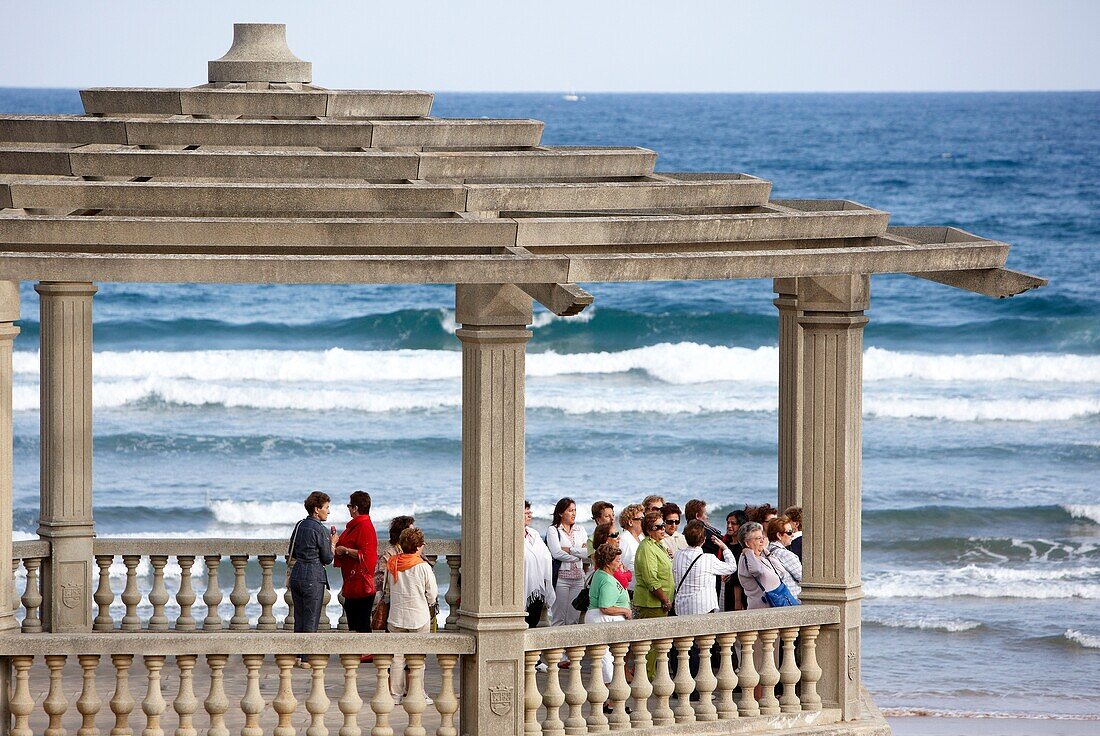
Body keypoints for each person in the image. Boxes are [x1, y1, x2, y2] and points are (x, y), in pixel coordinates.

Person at [673, 520, 740, 679]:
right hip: (703, 608)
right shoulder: (708, 559)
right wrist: (724, 548)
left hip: (682, 606)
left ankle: (681, 684)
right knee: (701, 649)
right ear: (703, 540)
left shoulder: (678, 555)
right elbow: (732, 567)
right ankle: (698, 686)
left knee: (683, 648)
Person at [386, 527, 438, 703]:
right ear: (417, 547)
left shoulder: (392, 563)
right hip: (418, 617)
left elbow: (386, 589)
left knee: (397, 658)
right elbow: (432, 595)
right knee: (417, 659)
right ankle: (417, 693)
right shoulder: (423, 567)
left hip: (396, 616)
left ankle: (395, 695)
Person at [288, 491, 338, 666]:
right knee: (311, 618)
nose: (328, 512)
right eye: (326, 508)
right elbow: (327, 558)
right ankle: (306, 658)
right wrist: (333, 543)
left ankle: (297, 654)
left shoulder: (300, 525)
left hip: (297, 574)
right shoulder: (320, 529)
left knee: (299, 617)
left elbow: (292, 551)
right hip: (313, 576)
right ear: (317, 509)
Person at [584, 543, 632, 711]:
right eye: (617, 560)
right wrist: (624, 610)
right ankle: (612, 702)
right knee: (607, 662)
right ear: (608, 562)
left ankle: (609, 701)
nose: (620, 563)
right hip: (601, 620)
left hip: (601, 621)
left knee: (608, 660)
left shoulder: (602, 575)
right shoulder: (606, 580)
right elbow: (605, 607)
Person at [334, 491, 379, 640]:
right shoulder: (356, 525)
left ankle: (365, 652)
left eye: (349, 505)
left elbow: (366, 555)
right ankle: (361, 652)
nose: (348, 509)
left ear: (355, 508)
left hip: (360, 582)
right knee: (355, 620)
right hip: (353, 581)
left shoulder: (364, 526)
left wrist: (345, 550)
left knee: (361, 622)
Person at [634, 511, 673, 679]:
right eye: (658, 527)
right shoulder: (647, 547)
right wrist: (665, 599)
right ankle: (647, 678)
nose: (663, 529)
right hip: (652, 603)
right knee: (650, 645)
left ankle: (652, 675)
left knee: (657, 645)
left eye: (663, 525)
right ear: (649, 530)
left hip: (658, 603)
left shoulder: (657, 544)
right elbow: (651, 579)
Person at [546, 497, 588, 629]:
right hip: (561, 579)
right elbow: (556, 553)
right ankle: (556, 649)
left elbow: (587, 553)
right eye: (570, 510)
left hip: (578, 579)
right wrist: (577, 556)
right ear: (560, 513)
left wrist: (570, 550)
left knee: (573, 619)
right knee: (558, 618)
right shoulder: (553, 530)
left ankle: (570, 649)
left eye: (575, 510)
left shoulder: (580, 530)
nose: (574, 513)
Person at [523, 501, 556, 631]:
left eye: (529, 511)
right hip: (520, 587)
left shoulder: (534, 534)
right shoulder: (510, 535)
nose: (529, 514)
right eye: (526, 512)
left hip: (537, 589)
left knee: (533, 623)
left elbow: (545, 555)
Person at [736, 521, 783, 610]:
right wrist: (748, 551)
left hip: (775, 605)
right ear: (747, 543)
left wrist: (767, 552)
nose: (762, 541)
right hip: (760, 609)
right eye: (758, 538)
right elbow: (757, 570)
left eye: (762, 537)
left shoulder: (761, 558)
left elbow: (781, 572)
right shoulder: (746, 559)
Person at [376, 515, 415, 594]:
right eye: (411, 532)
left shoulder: (416, 551)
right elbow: (379, 582)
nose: (415, 535)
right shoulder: (388, 555)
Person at [765, 516, 802, 598]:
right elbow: (803, 577)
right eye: (789, 532)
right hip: (792, 599)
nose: (792, 535)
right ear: (779, 535)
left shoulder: (767, 552)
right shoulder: (785, 555)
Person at [722, 509, 748, 612]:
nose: (729, 526)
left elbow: (740, 574)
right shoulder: (725, 544)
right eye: (728, 523)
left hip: (741, 594)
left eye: (733, 523)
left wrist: (738, 600)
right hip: (726, 590)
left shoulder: (744, 548)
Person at [592, 522, 631, 589]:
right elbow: (624, 583)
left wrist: (624, 573)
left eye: (618, 533)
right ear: (605, 539)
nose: (619, 538)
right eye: (614, 535)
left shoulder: (605, 556)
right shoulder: (608, 559)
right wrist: (624, 572)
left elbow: (629, 577)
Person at [617, 503, 645, 593]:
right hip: (630, 589)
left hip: (641, 587)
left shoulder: (641, 537)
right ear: (630, 522)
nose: (644, 521)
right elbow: (620, 566)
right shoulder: (624, 539)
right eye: (641, 519)